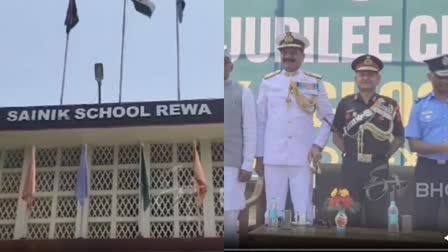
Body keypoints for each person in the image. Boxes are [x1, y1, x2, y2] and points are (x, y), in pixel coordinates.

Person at [255, 32, 334, 224]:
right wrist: (259, 155)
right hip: (274, 156)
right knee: (273, 211)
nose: (288, 56)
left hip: (302, 155)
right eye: (285, 53)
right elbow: (260, 122)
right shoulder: (269, 81)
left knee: (303, 211)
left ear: (302, 56)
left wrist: (318, 145)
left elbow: (328, 117)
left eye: (293, 53)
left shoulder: (314, 81)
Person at [332, 54, 404, 228]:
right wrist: (350, 153)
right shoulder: (345, 103)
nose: (365, 78)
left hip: (378, 167)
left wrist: (384, 155)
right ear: (355, 78)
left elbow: (400, 137)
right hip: (352, 166)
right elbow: (336, 134)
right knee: (350, 214)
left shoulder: (389, 105)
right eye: (362, 74)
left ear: (378, 78)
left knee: (377, 216)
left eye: (370, 74)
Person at [406, 54, 448, 232]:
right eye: (440, 76)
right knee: (424, 220)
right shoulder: (420, 106)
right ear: (430, 77)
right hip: (427, 169)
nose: (445, 81)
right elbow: (414, 145)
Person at [224, 46, 257, 248]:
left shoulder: (243, 92)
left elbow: (250, 130)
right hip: (206, 165)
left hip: (232, 166)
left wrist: (247, 164)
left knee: (229, 217)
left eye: (223, 63)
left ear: (231, 66)